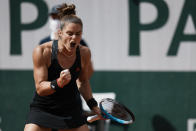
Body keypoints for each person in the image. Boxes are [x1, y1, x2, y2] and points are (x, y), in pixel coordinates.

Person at [24, 3, 101, 131]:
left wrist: (93, 106)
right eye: (69, 33)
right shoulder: (42, 51)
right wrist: (58, 83)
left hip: (71, 109)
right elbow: (40, 88)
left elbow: (83, 81)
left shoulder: (84, 53)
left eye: (78, 34)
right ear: (60, 33)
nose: (74, 38)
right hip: (44, 108)